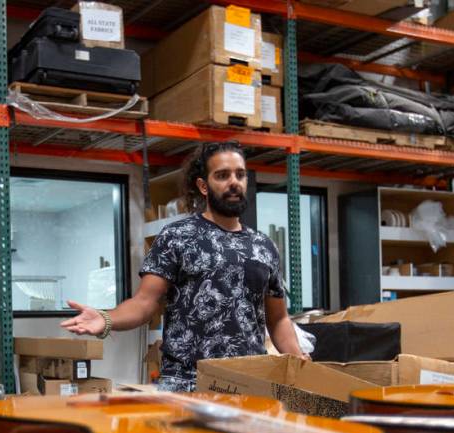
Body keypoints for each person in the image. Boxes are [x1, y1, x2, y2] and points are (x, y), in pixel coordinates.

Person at [61, 140, 305, 392]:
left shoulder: (264, 246)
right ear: (203, 186)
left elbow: (278, 320)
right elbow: (144, 303)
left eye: (240, 175)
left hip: (250, 385)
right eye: (222, 175)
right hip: (188, 384)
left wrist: (299, 361)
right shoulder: (177, 236)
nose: (234, 182)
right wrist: (106, 318)